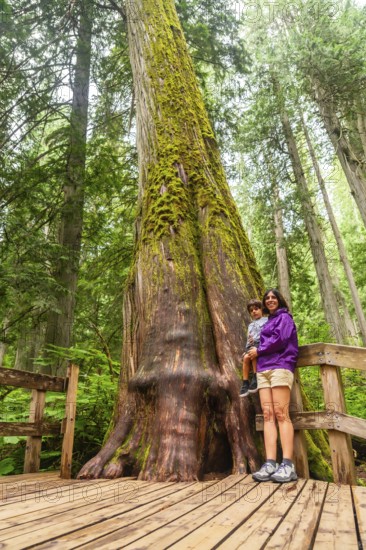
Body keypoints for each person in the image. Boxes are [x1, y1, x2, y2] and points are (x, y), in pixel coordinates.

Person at [247, 288, 298, 483]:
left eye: (273, 297)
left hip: (280, 366)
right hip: (263, 369)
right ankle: (270, 463)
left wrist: (259, 350)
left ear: (280, 300)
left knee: (281, 414)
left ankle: (287, 464)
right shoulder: (266, 322)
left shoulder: (285, 318)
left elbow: (281, 340)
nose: (269, 300)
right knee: (267, 416)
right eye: (266, 298)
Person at [240, 299, 268, 397]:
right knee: (246, 358)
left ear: (261, 309)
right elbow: (249, 338)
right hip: (252, 345)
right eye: (251, 311)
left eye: (256, 309)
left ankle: (256, 377)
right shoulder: (250, 325)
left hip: (261, 345)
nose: (254, 312)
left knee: (252, 353)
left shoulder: (267, 321)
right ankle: (245, 382)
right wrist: (246, 350)